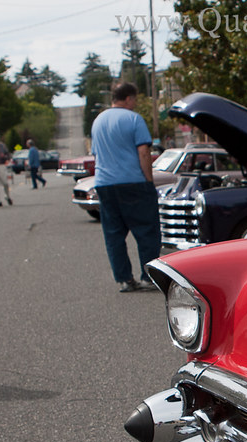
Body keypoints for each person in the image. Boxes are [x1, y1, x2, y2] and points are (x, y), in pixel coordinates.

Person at [91, 81, 161, 293]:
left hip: (104, 184)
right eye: (135, 99)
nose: (135, 103)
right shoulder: (133, 119)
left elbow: (96, 154)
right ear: (129, 98)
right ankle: (149, 276)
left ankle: (124, 279)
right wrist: (148, 180)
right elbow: (143, 152)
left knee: (114, 235)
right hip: (133, 182)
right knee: (147, 231)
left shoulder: (98, 121)